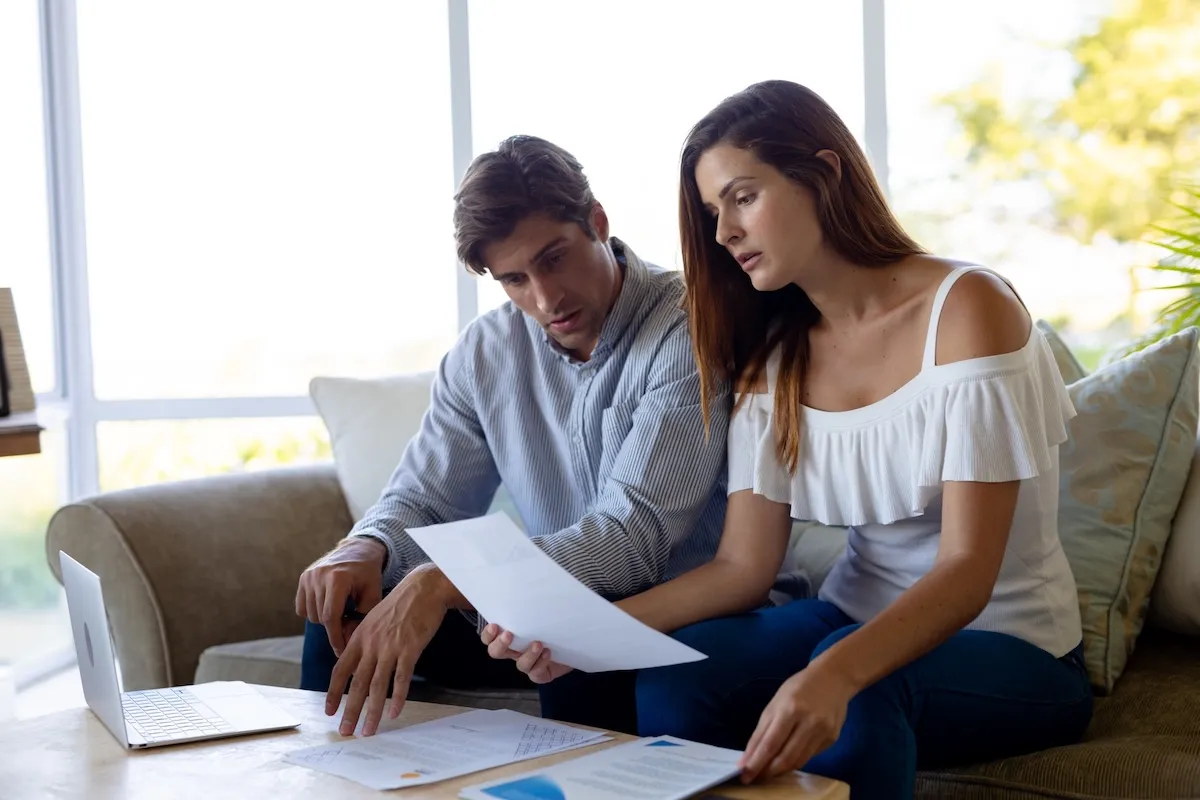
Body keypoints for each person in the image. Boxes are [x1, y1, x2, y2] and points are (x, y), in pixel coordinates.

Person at [480, 81, 1093, 799]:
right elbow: (744, 565)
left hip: (1016, 644)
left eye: (742, 198)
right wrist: (582, 633)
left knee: (859, 687)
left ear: (824, 173)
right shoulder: (777, 352)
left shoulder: (967, 310)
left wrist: (833, 672)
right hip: (849, 612)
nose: (723, 233)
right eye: (713, 212)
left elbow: (966, 571)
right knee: (689, 669)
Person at [295, 135, 730, 739]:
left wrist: (450, 580)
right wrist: (367, 547)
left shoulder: (687, 326)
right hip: (538, 610)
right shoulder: (485, 352)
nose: (545, 298)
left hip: (672, 614)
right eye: (515, 279)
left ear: (598, 222)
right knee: (341, 605)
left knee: (561, 643)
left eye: (555, 258)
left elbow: (635, 539)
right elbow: (425, 500)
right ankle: (329, 778)